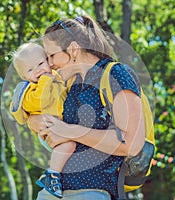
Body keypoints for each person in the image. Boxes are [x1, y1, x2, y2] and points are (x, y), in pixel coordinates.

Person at [27, 16, 146, 200]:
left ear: (73, 49)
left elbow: (131, 144)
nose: (49, 64)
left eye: (52, 55)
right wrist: (35, 121)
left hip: (93, 192)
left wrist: (69, 131)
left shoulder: (116, 74)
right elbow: (38, 114)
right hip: (55, 193)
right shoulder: (72, 85)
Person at [10, 42, 76, 198]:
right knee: (69, 145)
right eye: (31, 69)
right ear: (24, 77)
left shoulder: (56, 79)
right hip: (49, 131)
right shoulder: (29, 92)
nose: (38, 70)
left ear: (48, 61)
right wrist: (46, 80)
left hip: (62, 125)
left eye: (40, 63)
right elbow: (41, 101)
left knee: (73, 145)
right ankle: (51, 176)